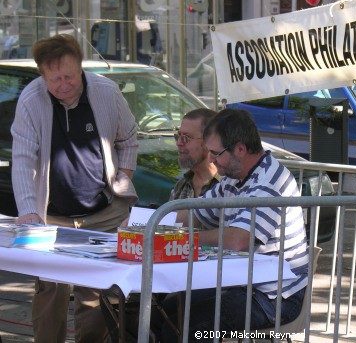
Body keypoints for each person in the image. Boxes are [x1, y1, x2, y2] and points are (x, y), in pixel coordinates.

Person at [10, 34, 138, 343]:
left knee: (94, 296)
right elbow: (23, 158)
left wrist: (121, 179)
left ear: (81, 68)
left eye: (69, 76)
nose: (63, 84)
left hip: (103, 212)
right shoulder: (31, 99)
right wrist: (28, 210)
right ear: (42, 75)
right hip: (52, 218)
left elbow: (129, 138)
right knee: (50, 292)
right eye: (54, 79)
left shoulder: (106, 92)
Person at [159, 108, 309, 342]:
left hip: (274, 297)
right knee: (169, 308)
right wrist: (149, 222)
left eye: (216, 153)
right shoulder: (234, 178)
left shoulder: (269, 183)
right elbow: (195, 214)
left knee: (192, 326)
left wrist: (183, 240)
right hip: (245, 284)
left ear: (240, 149)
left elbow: (238, 239)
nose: (210, 159)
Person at [100, 107, 221, 342]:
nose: (179, 143)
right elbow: (166, 230)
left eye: (186, 138)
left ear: (209, 143)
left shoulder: (227, 186)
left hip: (208, 279)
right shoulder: (182, 186)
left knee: (164, 309)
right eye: (178, 136)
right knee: (113, 294)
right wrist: (137, 225)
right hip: (169, 273)